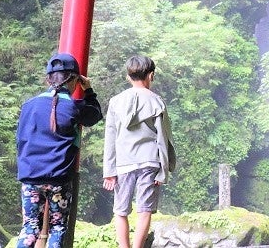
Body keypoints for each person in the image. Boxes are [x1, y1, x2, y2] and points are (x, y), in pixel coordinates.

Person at [16, 52, 103, 248]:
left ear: (48, 79)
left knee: (30, 227)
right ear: (74, 80)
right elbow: (95, 114)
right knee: (57, 227)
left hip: (30, 175)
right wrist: (88, 90)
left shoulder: (28, 106)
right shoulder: (74, 107)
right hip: (59, 177)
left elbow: (20, 140)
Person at [103, 55, 176, 248]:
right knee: (145, 210)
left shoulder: (115, 102)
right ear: (151, 75)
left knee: (120, 210)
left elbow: (110, 138)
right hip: (150, 161)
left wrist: (109, 171)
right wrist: (164, 169)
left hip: (123, 162)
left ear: (128, 76)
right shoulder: (157, 102)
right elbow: (163, 138)